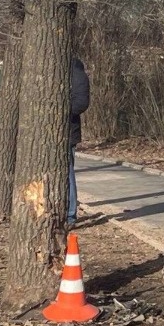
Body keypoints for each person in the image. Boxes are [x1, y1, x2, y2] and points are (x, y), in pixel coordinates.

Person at [68, 58, 91, 227]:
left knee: (68, 174)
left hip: (68, 132)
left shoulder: (76, 70)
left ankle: (70, 214)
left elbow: (81, 103)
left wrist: (59, 111)